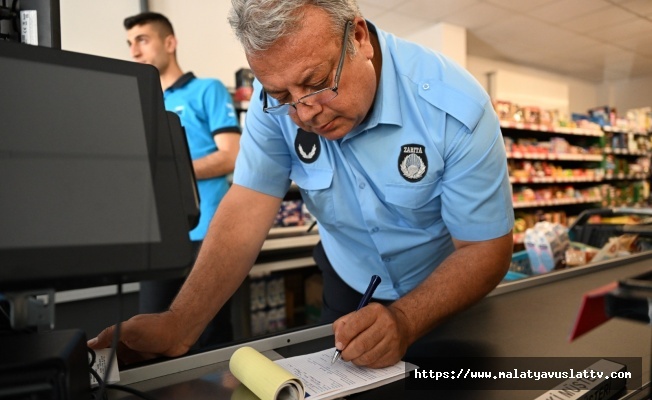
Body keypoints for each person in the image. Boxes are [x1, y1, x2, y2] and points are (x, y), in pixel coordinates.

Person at [90, 0, 514, 368]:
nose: (305, 112)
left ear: (360, 38)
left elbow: (483, 249)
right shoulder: (270, 102)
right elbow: (247, 204)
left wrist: (406, 319)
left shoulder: (454, 108)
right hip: (349, 282)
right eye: (282, 95)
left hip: (442, 290)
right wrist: (180, 323)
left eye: (316, 83)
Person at [123, 12, 241, 348]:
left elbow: (230, 155)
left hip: (207, 233)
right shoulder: (141, 102)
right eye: (130, 43)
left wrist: (169, 169)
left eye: (142, 40)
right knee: (147, 334)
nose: (134, 51)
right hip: (158, 234)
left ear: (169, 43)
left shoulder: (208, 90)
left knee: (207, 336)